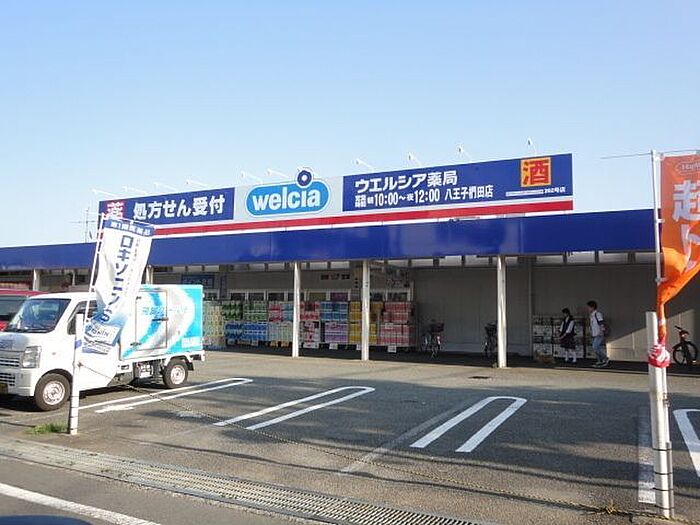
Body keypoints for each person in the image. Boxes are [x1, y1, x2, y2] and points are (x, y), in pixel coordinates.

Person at [587, 300, 609, 368]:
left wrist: (601, 331)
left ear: (592, 307)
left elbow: (601, 323)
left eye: (589, 307)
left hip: (599, 333)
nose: (588, 309)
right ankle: (599, 361)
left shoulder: (597, 314)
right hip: (594, 334)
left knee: (595, 347)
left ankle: (605, 358)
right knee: (596, 348)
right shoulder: (591, 315)